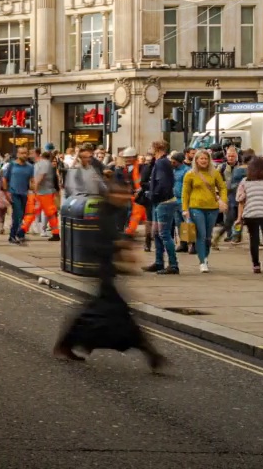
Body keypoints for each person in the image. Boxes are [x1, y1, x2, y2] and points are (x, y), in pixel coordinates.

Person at [54, 143, 166, 370]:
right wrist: (120, 246)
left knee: (104, 313)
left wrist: (126, 242)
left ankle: (68, 343)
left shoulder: (113, 211)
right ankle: (149, 352)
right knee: (113, 314)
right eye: (121, 194)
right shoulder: (103, 212)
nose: (125, 197)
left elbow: (117, 236)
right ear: (113, 193)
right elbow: (101, 241)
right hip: (102, 270)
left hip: (108, 271)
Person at [181, 151, 226, 273]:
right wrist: (185, 209)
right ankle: (203, 261)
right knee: (201, 234)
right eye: (201, 158)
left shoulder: (215, 173)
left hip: (212, 208)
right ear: (196, 160)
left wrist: (223, 200)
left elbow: (222, 187)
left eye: (206, 158)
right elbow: (185, 193)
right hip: (196, 207)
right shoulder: (190, 174)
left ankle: (206, 256)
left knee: (208, 236)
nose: (204, 161)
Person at [143, 142, 180, 275]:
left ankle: (173, 264)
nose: (149, 150)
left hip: (163, 203)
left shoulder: (161, 163)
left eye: (151, 147)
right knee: (158, 234)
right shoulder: (161, 162)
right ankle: (159, 262)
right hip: (163, 202)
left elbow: (163, 183)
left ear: (157, 149)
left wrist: (153, 195)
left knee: (164, 234)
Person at [23, 148, 61, 241]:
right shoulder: (39, 164)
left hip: (43, 193)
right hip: (43, 193)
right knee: (49, 214)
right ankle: (56, 234)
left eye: (31, 152)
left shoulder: (43, 164)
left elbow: (40, 177)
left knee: (32, 212)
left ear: (37, 154)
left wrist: (34, 190)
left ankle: (21, 232)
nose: (29, 154)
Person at [3, 146, 33, 245]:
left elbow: (32, 181)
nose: (24, 155)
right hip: (13, 193)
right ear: (18, 154)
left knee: (22, 215)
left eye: (26, 153)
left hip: (24, 194)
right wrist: (6, 192)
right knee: (17, 214)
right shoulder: (12, 165)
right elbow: (4, 179)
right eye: (22, 153)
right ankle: (13, 235)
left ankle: (18, 234)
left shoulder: (30, 167)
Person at [217, 147, 246, 244]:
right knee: (227, 216)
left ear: (236, 156)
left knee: (239, 216)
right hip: (227, 195)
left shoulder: (241, 167)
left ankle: (237, 235)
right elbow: (217, 180)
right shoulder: (222, 167)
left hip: (239, 195)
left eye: (233, 156)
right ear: (226, 156)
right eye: (229, 156)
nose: (231, 158)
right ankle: (229, 234)